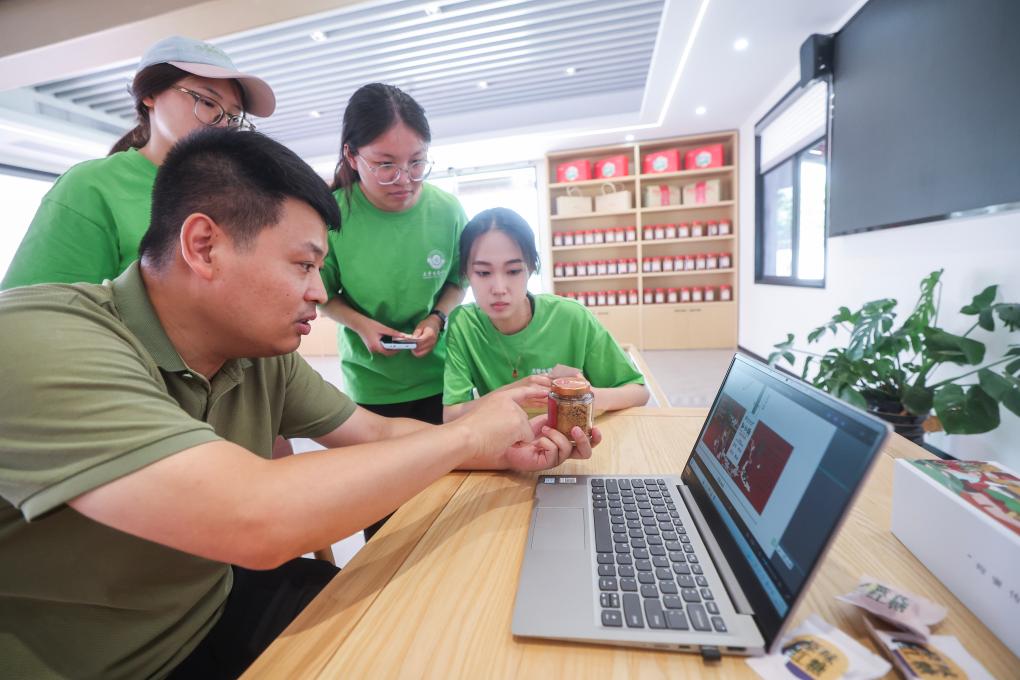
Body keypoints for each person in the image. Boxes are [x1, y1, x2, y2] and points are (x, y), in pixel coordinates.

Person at [0, 129, 599, 679]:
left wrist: (508, 444)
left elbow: (377, 435)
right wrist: (466, 434)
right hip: (105, 663)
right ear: (204, 246)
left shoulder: (257, 352)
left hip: (214, 603)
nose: (319, 291)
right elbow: (254, 517)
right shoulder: (37, 340)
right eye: (304, 265)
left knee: (439, 631)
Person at [0, 35, 275, 290]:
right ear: (150, 95)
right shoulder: (91, 186)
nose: (222, 124)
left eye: (233, 117)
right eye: (207, 102)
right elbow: (33, 310)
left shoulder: (237, 193)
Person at [319, 83, 466, 427]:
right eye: (385, 165)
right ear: (352, 156)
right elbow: (322, 295)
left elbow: (459, 280)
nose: (405, 180)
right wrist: (362, 325)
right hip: (371, 383)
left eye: (417, 162)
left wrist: (437, 319)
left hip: (442, 377)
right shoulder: (332, 217)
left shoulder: (447, 211)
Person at [443, 207, 650, 422]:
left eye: (513, 271)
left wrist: (582, 396)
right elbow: (451, 413)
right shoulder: (463, 324)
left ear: (531, 267)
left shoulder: (571, 317)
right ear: (466, 273)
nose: (499, 288)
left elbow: (638, 392)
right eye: (483, 273)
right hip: (507, 441)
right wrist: (515, 393)